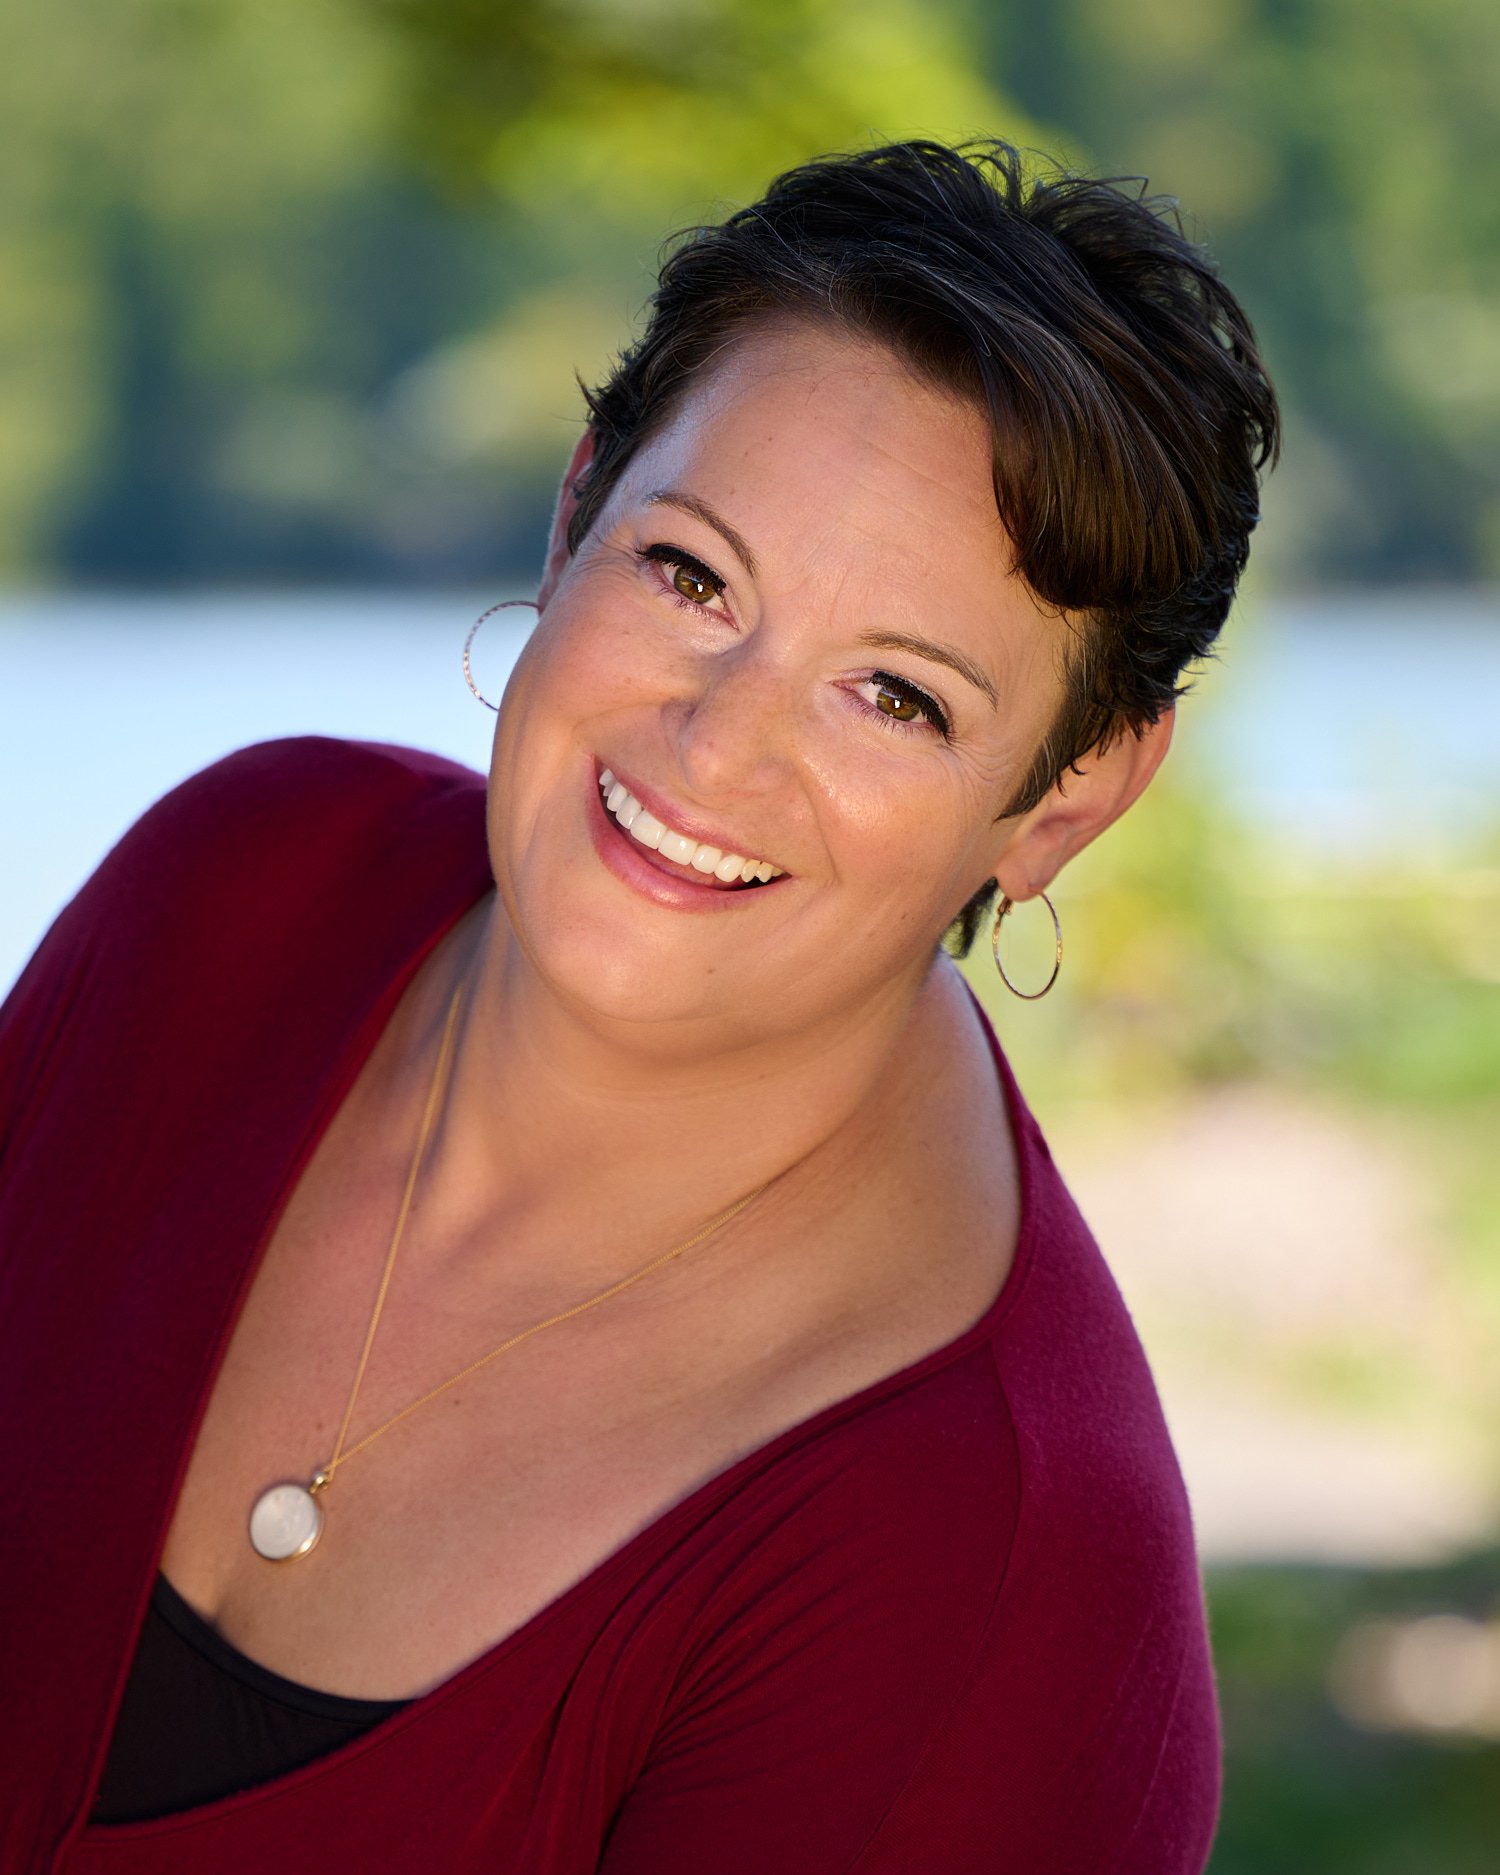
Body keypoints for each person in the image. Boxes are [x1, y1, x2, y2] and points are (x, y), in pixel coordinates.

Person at [0, 138, 1277, 1872]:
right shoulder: (231, 892)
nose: (719, 743)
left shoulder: (1001, 1584)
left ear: (1066, 799)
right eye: (692, 577)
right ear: (578, 505)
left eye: (894, 696)